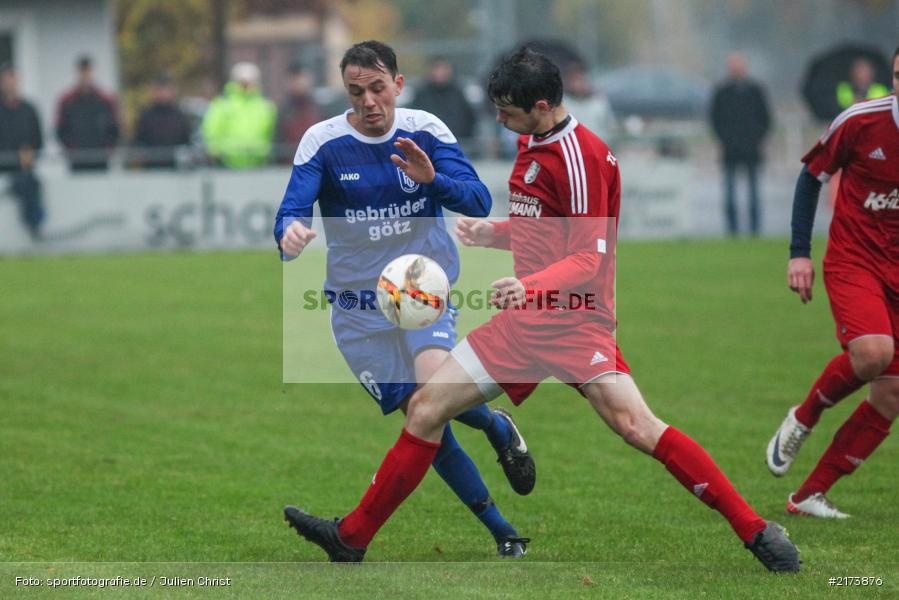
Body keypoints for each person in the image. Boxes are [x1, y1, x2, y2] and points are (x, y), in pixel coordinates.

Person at [283, 47, 801, 572]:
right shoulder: (533, 141)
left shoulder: (580, 157)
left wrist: (528, 287)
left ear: (541, 104)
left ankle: (755, 531)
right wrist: (495, 233)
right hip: (521, 326)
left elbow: (587, 255)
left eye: (507, 110)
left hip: (574, 321)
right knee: (426, 409)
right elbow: (545, 228)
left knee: (637, 426)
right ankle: (351, 538)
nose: (500, 120)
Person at [275, 41, 534, 558]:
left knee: (431, 403)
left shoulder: (427, 130)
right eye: (356, 91)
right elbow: (290, 211)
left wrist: (433, 180)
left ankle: (503, 533)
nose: (368, 101)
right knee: (423, 412)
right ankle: (497, 446)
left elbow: (478, 199)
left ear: (397, 83)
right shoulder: (322, 142)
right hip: (356, 311)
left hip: (420, 287)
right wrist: (291, 234)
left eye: (377, 88)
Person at [765, 45, 899, 519]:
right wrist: (799, 253)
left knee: (891, 394)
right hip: (854, 260)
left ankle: (807, 496)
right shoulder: (861, 121)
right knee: (874, 353)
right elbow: (811, 177)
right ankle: (804, 416)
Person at [709, 53, 771, 237]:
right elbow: (715, 119)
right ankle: (732, 230)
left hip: (751, 149)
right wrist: (724, 139)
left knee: (754, 192)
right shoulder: (722, 92)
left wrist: (757, 139)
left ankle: (755, 229)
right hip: (730, 149)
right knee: (729, 193)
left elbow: (766, 119)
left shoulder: (755, 91)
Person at [202, 62, 276, 169]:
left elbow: (271, 133)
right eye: (243, 82)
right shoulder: (222, 104)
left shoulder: (266, 107)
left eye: (249, 82)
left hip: (259, 164)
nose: (246, 85)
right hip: (226, 163)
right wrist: (214, 151)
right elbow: (211, 131)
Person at [0, 62, 44, 239]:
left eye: (14, 79)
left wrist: (30, 154)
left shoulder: (29, 110)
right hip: (4, 168)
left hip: (23, 169)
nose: (11, 84)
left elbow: (38, 141)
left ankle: (35, 224)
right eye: (7, 80)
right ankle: (34, 225)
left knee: (30, 181)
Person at [55, 55, 119, 172]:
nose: (85, 75)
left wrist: (108, 151)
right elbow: (60, 130)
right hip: (77, 162)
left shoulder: (106, 100)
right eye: (82, 71)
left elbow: (115, 129)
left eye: (88, 71)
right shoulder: (67, 101)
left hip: (101, 161)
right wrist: (71, 151)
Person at [409, 57, 477, 154]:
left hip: (458, 142)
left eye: (443, 69)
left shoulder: (459, 92)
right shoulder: (421, 93)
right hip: (427, 145)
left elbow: (469, 118)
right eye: (436, 69)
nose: (440, 73)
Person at [132, 74, 192, 169]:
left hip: (176, 171)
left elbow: (187, 142)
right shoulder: (146, 116)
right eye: (158, 90)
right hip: (151, 170)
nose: (161, 93)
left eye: (164, 89)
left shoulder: (180, 116)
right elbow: (138, 142)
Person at [275, 61, 322, 164]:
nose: (299, 83)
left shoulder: (319, 108)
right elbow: (279, 142)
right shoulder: (284, 111)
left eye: (302, 78)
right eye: (295, 79)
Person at [562, 61, 615, 142]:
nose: (577, 84)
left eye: (580, 79)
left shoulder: (599, 102)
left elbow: (609, 126)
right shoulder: (563, 104)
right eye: (574, 80)